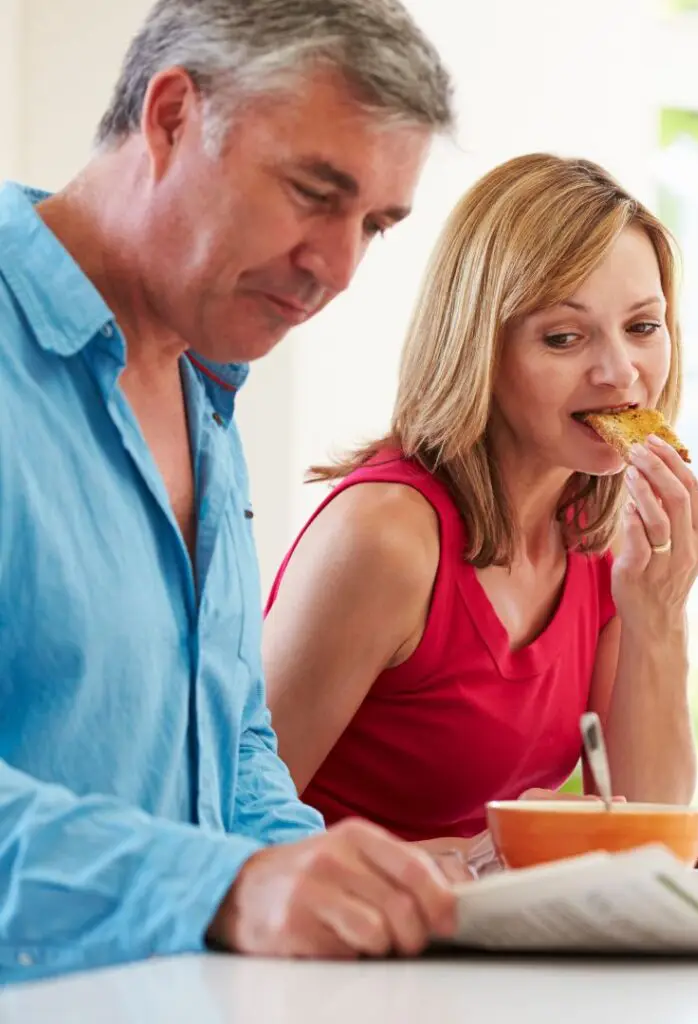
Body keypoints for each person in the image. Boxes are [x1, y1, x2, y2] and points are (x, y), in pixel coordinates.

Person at [0, 0, 460, 984]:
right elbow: (210, 872)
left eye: (373, 225)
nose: (337, 268)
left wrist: (311, 870)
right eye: (311, 192)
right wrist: (223, 886)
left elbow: (232, 742)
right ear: (170, 117)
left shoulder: (203, 390)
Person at [263, 154, 698, 856]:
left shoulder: (600, 539)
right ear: (480, 349)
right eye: (564, 337)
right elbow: (219, 832)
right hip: (333, 957)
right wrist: (466, 859)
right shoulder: (385, 537)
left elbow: (653, 838)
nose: (620, 374)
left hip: (476, 957)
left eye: (643, 327)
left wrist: (659, 616)